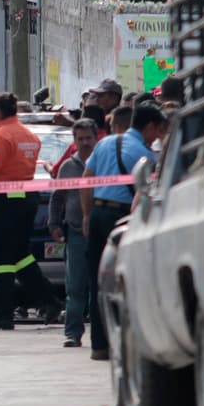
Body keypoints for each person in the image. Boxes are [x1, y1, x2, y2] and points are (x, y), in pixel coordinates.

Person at [81, 102, 166, 360]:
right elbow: (142, 194)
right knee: (123, 280)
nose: (157, 137)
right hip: (121, 217)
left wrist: (87, 215)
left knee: (97, 280)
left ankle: (99, 345)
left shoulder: (104, 143)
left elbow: (86, 178)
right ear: (149, 126)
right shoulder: (145, 155)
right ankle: (121, 342)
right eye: (157, 130)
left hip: (96, 213)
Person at [0, 92, 57, 332]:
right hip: (28, 199)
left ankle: (3, 314)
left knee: (0, 257)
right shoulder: (29, 134)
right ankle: (50, 300)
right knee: (21, 255)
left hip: (5, 200)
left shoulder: (1, 134)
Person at [49, 119, 99, 348]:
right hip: (76, 233)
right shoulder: (67, 167)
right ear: (74, 141)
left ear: (96, 137)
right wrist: (54, 223)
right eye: (80, 139)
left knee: (100, 285)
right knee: (75, 286)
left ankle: (104, 333)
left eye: (89, 138)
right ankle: (73, 333)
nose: (85, 143)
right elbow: (57, 197)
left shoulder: (105, 162)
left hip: (101, 231)